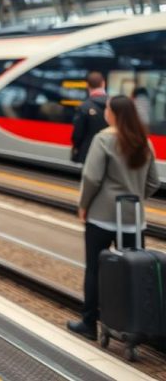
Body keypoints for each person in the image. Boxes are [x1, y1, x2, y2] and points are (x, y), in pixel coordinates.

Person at [67, 96, 160, 340]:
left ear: (114, 113)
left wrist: (84, 205)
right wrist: (138, 197)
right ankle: (135, 327)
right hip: (134, 219)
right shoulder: (144, 142)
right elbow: (154, 182)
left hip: (102, 216)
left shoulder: (104, 139)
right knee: (134, 272)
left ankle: (89, 323)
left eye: (107, 109)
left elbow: (92, 178)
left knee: (95, 270)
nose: (105, 113)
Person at [71, 71, 108, 164]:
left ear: (87, 85)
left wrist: (76, 147)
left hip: (89, 153)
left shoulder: (84, 107)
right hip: (109, 152)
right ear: (103, 83)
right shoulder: (114, 104)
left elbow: (77, 134)